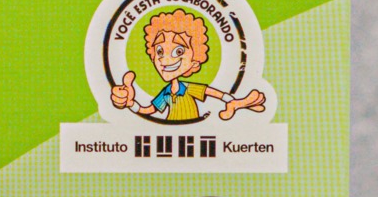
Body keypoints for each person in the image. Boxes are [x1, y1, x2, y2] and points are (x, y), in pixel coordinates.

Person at [111, 7, 267, 124]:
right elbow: (147, 110)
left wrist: (231, 101)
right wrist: (130, 103)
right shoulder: (165, 94)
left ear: (194, 62)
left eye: (178, 51)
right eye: (159, 51)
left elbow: (215, 93)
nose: (165, 59)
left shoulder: (188, 88)